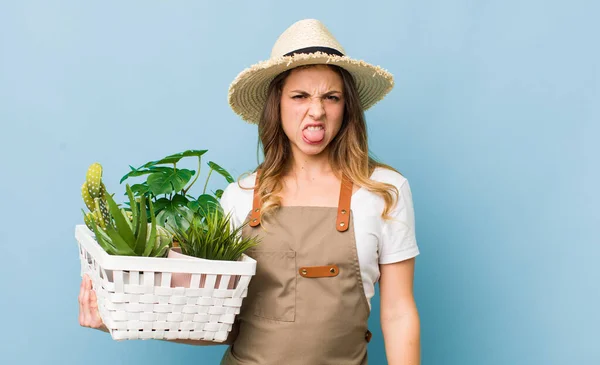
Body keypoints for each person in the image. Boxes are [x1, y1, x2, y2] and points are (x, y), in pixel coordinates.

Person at [78, 18, 420, 365]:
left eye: (331, 97)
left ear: (346, 108)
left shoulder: (384, 191)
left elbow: (397, 312)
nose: (316, 111)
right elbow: (216, 323)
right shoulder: (241, 195)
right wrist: (116, 318)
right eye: (299, 96)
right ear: (278, 105)